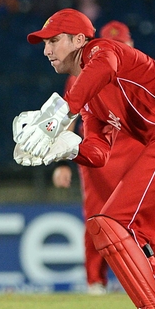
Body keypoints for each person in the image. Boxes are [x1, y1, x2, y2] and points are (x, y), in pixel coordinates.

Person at [13, 8, 155, 309]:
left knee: (112, 223)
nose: (47, 50)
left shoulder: (102, 51)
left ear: (79, 40)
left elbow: (103, 68)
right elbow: (98, 153)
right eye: (45, 44)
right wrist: (67, 149)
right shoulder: (90, 98)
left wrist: (58, 117)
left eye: (54, 41)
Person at [51, 21, 143, 295]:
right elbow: (69, 117)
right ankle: (96, 282)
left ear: (131, 47)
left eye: (123, 45)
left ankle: (148, 278)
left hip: (135, 153)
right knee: (96, 218)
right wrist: (62, 161)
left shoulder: (140, 72)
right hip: (97, 156)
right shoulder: (81, 75)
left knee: (141, 220)